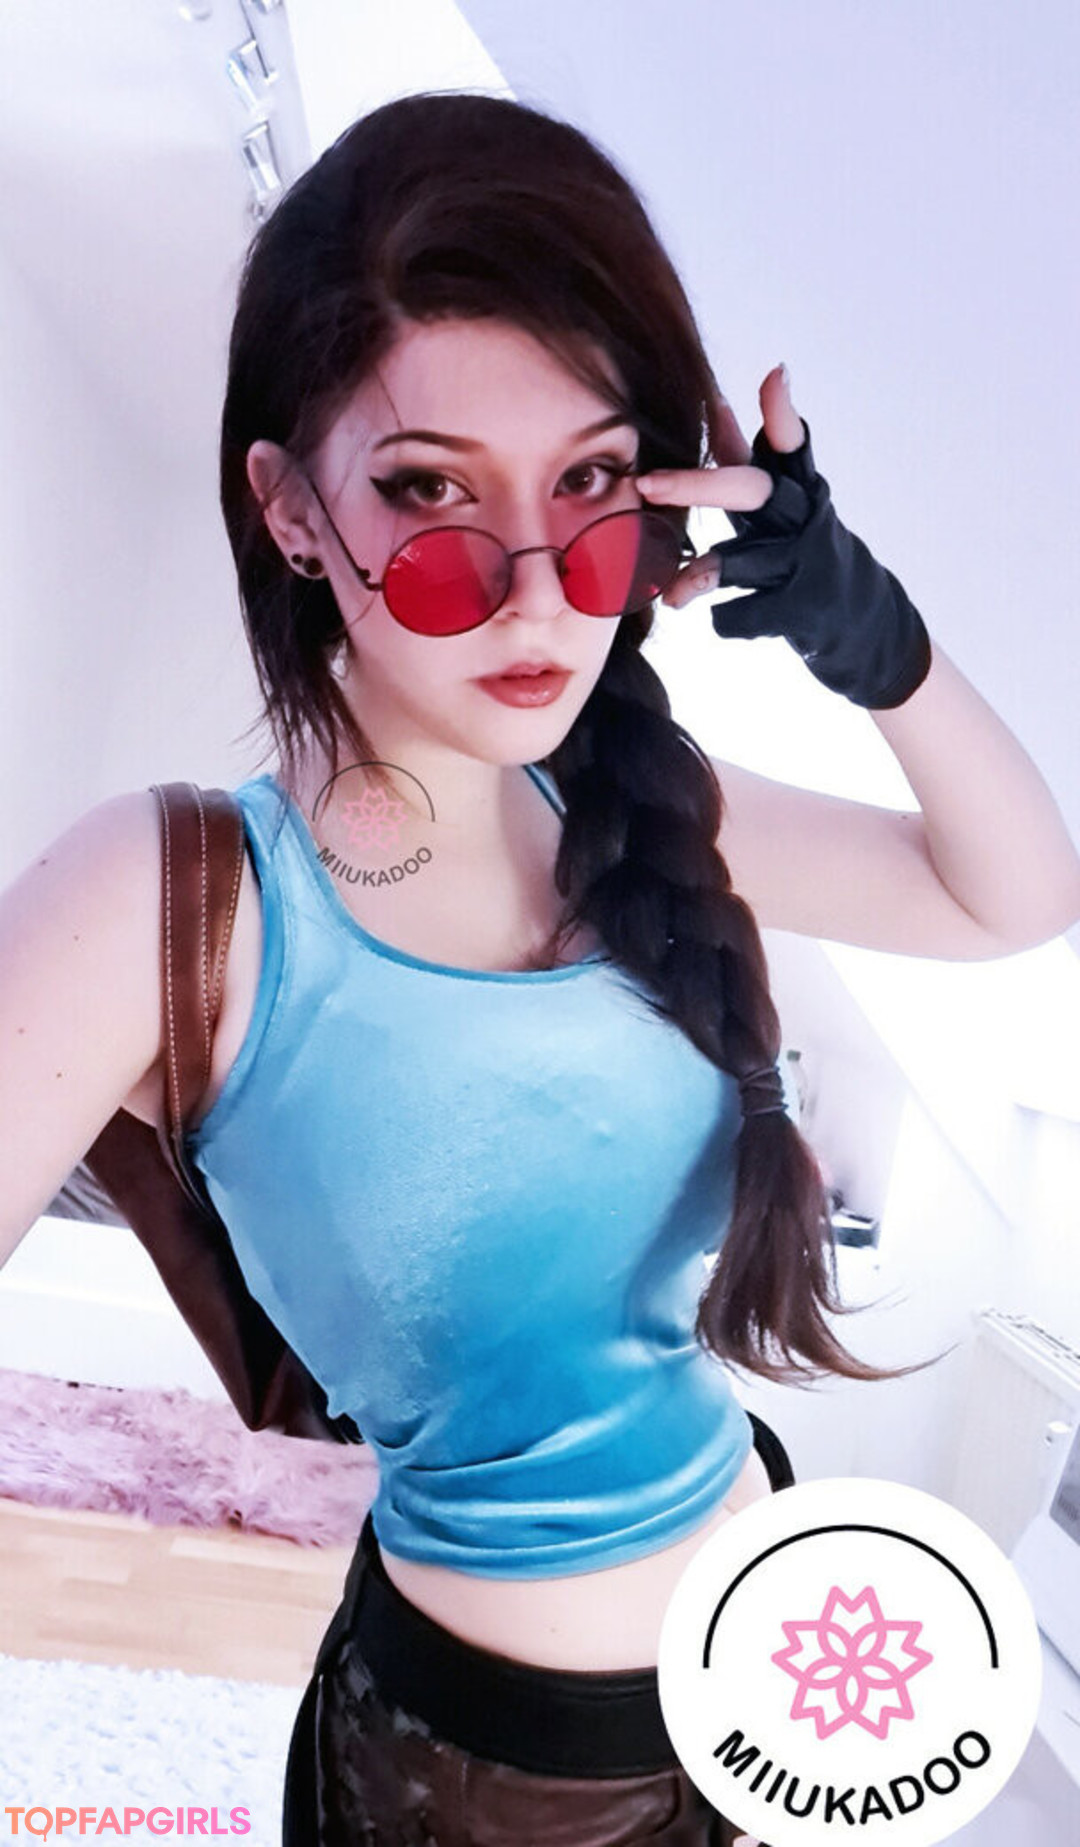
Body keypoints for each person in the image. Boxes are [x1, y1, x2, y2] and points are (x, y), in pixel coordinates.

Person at [3, 90, 1079, 1847]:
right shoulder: (173, 896)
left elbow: (1010, 898)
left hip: (773, 1657)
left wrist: (873, 639)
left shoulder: (636, 804)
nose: (533, 597)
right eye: (430, 495)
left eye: (588, 488)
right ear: (291, 511)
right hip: (496, 1778)